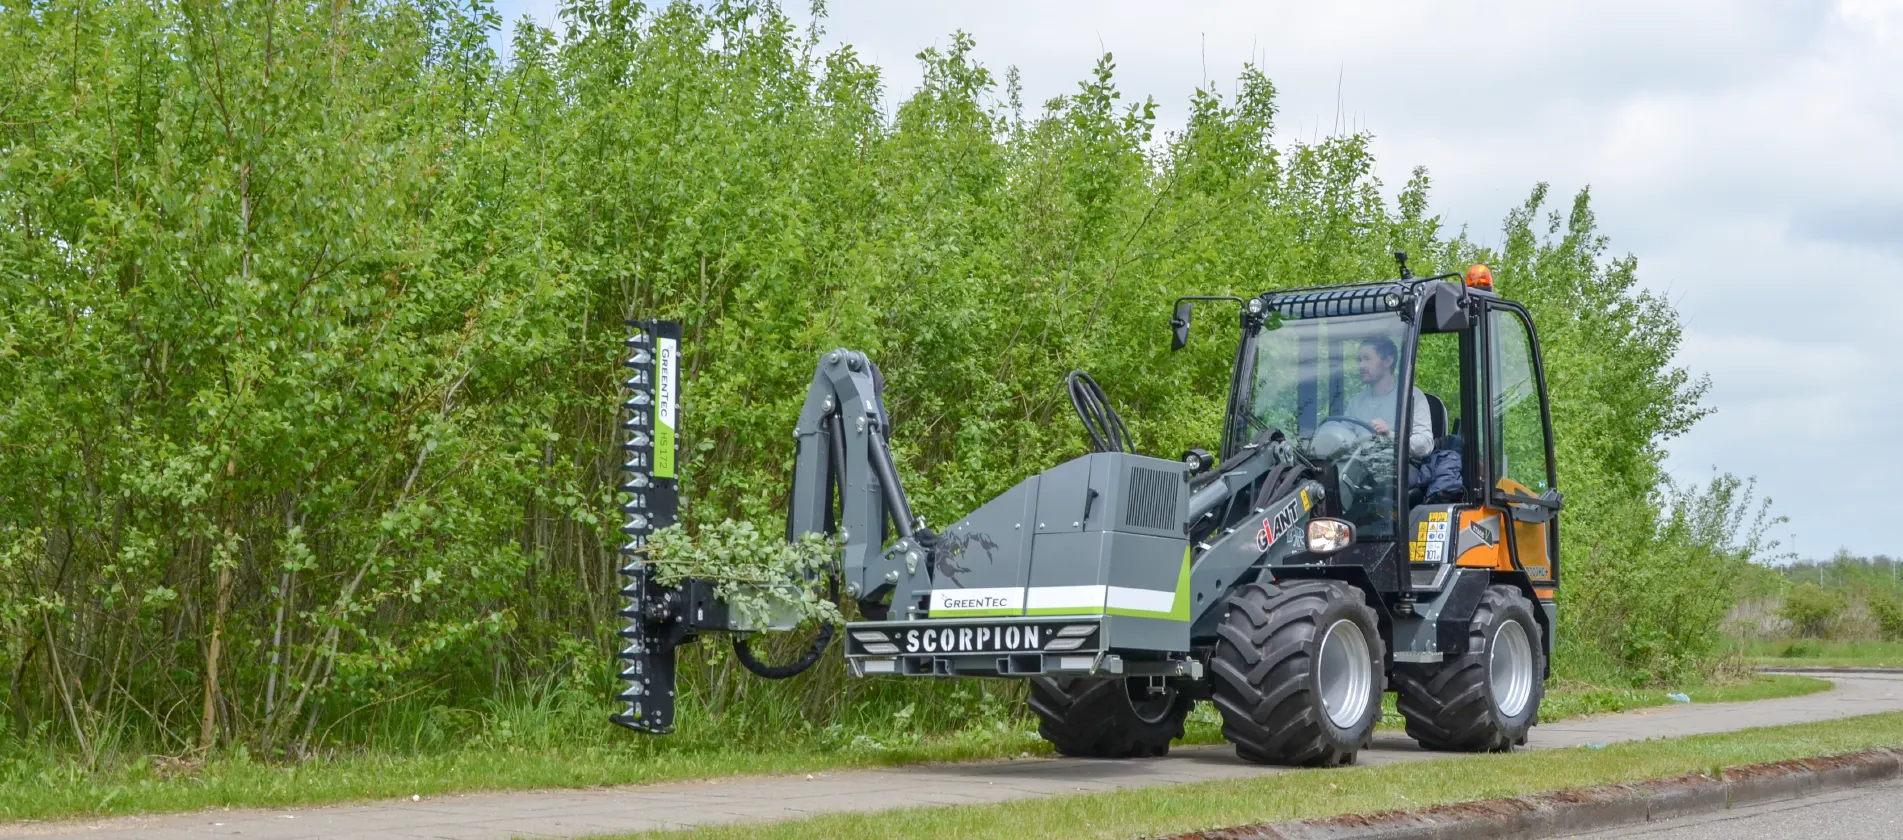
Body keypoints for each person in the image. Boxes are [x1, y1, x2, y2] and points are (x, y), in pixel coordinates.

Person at [1345, 336, 1433, 459]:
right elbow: (1343, 438)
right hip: (1357, 471)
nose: (1361, 365)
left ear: (1388, 361)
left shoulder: (1411, 396)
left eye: (1367, 359)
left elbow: (1426, 444)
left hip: (1398, 471)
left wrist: (1390, 436)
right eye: (1360, 360)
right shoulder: (1356, 403)